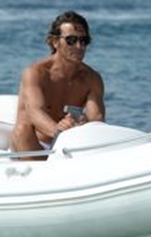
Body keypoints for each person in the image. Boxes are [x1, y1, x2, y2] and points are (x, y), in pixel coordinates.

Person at [10, 11, 105, 152]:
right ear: (55, 42)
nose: (79, 46)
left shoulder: (92, 78)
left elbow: (97, 119)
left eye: (84, 41)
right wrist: (59, 131)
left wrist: (85, 123)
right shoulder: (35, 73)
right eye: (71, 40)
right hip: (34, 144)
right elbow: (35, 112)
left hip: (67, 146)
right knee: (21, 130)